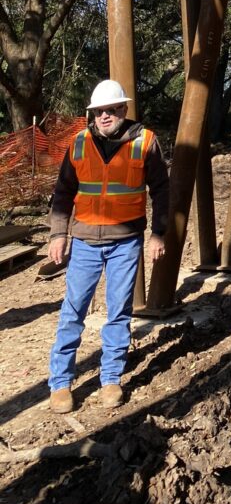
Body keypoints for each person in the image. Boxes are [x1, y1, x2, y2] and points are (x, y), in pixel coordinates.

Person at [47, 80, 168, 413]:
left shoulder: (145, 142)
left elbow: (162, 191)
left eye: (112, 110)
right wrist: (58, 234)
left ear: (124, 110)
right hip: (85, 242)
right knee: (73, 311)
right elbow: (62, 193)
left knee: (119, 312)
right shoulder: (79, 143)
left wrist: (158, 234)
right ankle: (60, 383)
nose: (105, 116)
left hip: (125, 243)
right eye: (99, 111)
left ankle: (111, 378)